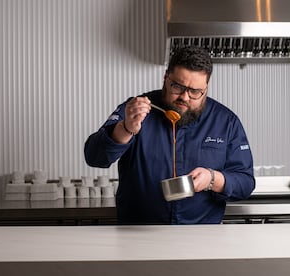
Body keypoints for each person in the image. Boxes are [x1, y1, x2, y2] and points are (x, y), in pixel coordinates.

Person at [84, 46, 255, 224]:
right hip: (138, 236)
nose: (185, 97)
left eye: (195, 92)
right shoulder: (135, 109)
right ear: (166, 78)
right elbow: (94, 157)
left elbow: (245, 183)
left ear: (206, 87)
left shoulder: (225, 121)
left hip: (203, 238)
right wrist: (126, 128)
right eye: (178, 87)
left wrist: (213, 179)